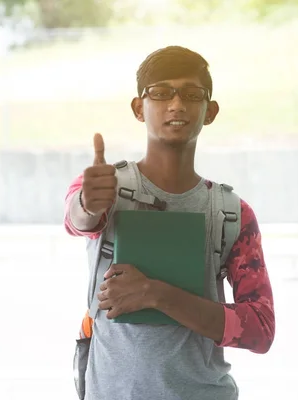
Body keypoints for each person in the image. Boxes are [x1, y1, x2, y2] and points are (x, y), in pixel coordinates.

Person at [63, 45, 275, 400]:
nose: (176, 105)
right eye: (160, 93)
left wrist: (156, 294)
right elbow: (79, 218)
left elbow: (261, 329)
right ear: (138, 108)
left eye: (192, 95)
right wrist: (87, 203)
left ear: (210, 112)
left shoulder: (232, 214)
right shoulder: (104, 186)